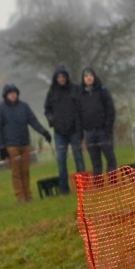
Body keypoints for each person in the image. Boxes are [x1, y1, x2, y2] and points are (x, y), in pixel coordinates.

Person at [0, 83, 51, 203]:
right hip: (11, 146)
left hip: (25, 144)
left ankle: (28, 195)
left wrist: (44, 132)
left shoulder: (24, 107)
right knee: (16, 172)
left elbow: (33, 121)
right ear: (6, 95)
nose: (12, 95)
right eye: (10, 93)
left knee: (25, 171)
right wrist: (1, 147)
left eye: (14, 93)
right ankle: (20, 197)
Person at [43, 65, 83, 194]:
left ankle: (83, 185)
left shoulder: (75, 89)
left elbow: (81, 106)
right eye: (59, 77)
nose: (61, 79)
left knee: (79, 158)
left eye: (63, 76)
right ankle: (63, 188)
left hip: (74, 130)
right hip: (59, 133)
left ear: (66, 77)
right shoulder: (52, 92)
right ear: (56, 78)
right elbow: (47, 110)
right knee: (61, 160)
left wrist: (80, 125)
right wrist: (52, 120)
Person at [76, 67, 116, 175]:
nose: (88, 78)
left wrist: (108, 128)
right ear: (83, 79)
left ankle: (113, 182)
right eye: (86, 76)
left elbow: (110, 110)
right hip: (89, 133)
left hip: (103, 131)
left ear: (94, 77)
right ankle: (98, 184)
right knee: (96, 163)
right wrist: (80, 135)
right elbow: (78, 116)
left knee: (110, 159)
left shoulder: (102, 91)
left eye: (90, 75)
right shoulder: (80, 95)